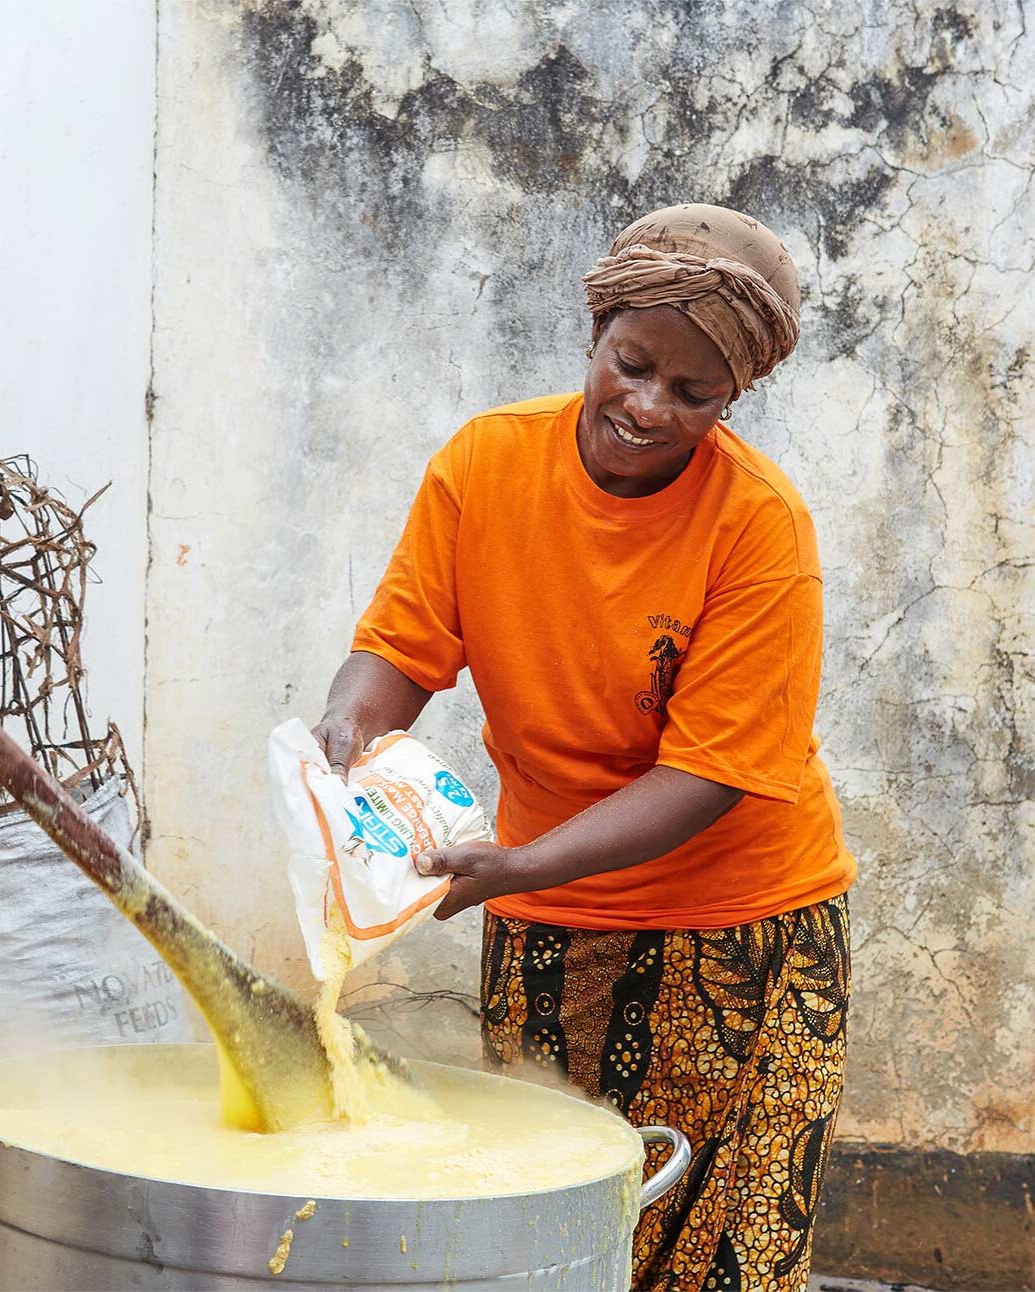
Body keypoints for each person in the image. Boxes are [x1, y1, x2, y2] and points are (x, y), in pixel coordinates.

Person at [313, 204, 855, 1290]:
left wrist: (519, 864)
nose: (645, 406)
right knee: (550, 1242)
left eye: (689, 393)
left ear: (731, 396)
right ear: (597, 333)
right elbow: (400, 647)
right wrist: (344, 734)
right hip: (548, 932)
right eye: (631, 363)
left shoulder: (758, 528)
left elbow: (704, 775)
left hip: (740, 937)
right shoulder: (486, 463)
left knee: (716, 1257)